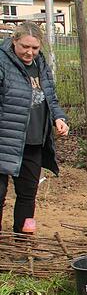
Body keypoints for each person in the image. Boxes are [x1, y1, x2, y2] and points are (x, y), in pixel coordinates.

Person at [0, 22, 69, 234]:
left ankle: (22, 246)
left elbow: (51, 98)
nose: (30, 52)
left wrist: (59, 118)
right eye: (25, 47)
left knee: (28, 195)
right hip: (5, 141)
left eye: (35, 48)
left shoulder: (40, 64)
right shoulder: (2, 62)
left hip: (33, 141)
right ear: (14, 42)